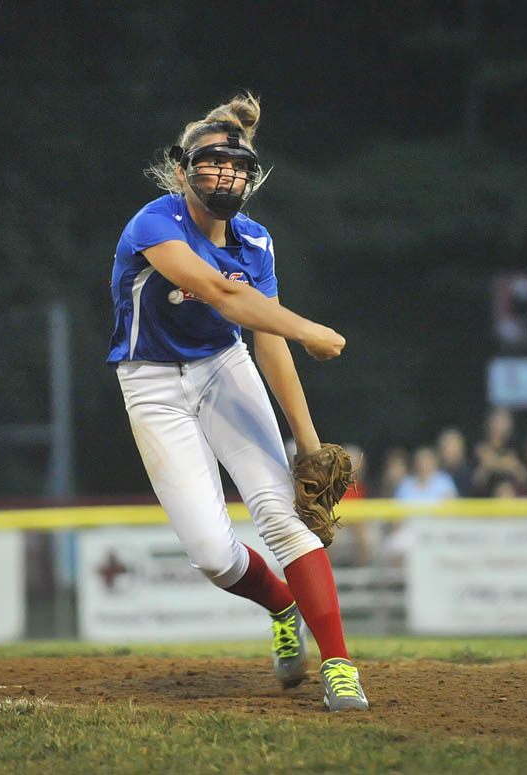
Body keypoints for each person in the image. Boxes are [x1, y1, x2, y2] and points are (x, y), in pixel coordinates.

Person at [107, 92, 368, 711]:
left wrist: (307, 440)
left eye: (236, 165)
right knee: (210, 555)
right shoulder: (154, 224)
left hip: (224, 368)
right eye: (211, 162)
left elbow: (265, 339)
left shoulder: (256, 242)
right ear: (182, 170)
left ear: (250, 175)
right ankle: (282, 605)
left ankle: (340, 665)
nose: (224, 174)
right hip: (151, 382)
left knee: (283, 516)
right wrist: (309, 329)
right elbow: (222, 296)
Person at [471, 407, 527, 496]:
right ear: (489, 423)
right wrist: (505, 463)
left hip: (513, 499)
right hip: (485, 500)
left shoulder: (516, 448)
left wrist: (494, 462)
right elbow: (475, 481)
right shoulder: (480, 448)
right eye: (497, 421)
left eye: (504, 422)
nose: (499, 426)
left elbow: (526, 480)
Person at [394, 446, 459, 502]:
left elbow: (451, 507)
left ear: (434, 462)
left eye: (427, 460)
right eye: (420, 460)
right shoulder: (406, 483)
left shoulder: (444, 481)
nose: (423, 464)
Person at [435, 426, 473, 497]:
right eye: (446, 447)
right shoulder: (433, 474)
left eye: (453, 447)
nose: (449, 451)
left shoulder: (470, 475)